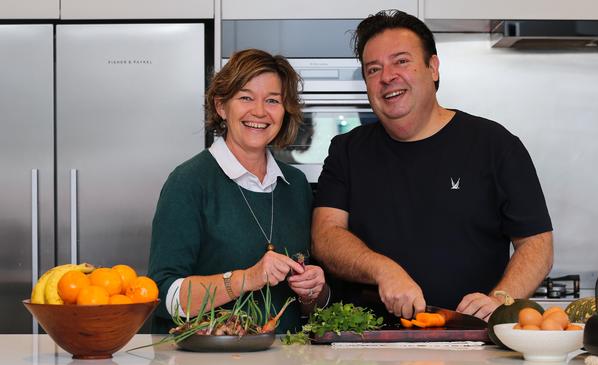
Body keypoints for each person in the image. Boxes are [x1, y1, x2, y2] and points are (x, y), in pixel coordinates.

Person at [312, 10, 553, 321]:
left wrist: (502, 299)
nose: (387, 77)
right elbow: (326, 236)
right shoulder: (347, 150)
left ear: (433, 68)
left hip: (471, 341)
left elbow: (537, 245)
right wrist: (383, 269)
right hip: (366, 341)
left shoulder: (495, 145)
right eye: (373, 69)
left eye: (401, 61)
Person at [148, 49, 330, 334]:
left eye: (272, 100)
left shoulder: (295, 186)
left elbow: (307, 307)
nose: (259, 111)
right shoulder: (188, 182)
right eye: (246, 97)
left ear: (285, 111)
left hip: (285, 356)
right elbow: (163, 295)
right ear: (221, 106)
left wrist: (314, 291)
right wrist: (248, 278)